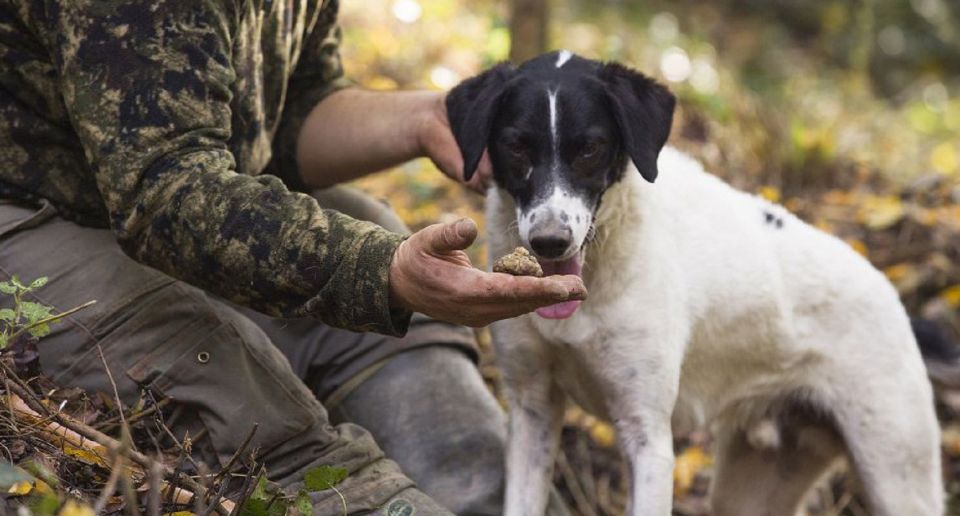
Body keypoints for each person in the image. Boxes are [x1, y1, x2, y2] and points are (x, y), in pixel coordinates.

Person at [0, 0, 585, 514]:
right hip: (28, 214)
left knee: (380, 238)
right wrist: (379, 271)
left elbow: (283, 121)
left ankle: (483, 493)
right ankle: (356, 496)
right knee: (236, 384)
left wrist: (423, 118)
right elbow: (164, 192)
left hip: (138, 199)